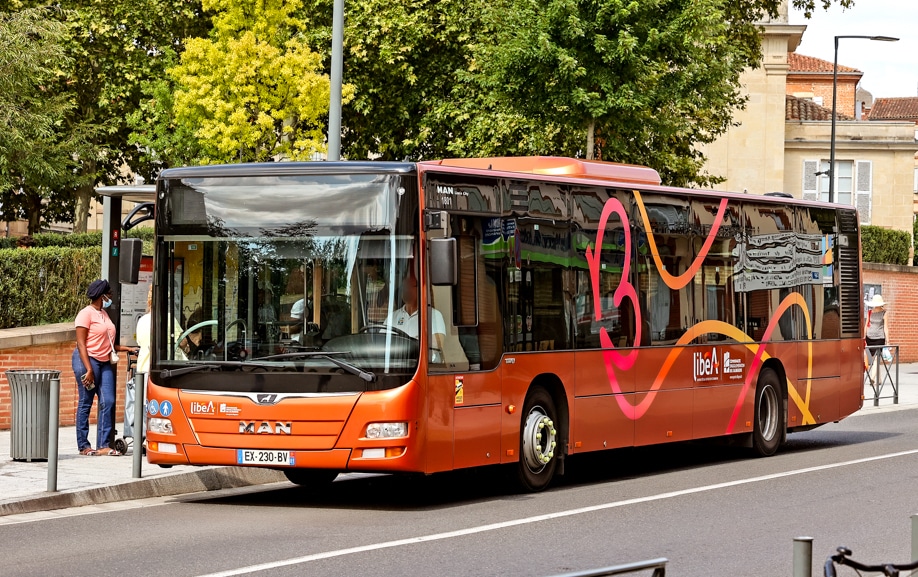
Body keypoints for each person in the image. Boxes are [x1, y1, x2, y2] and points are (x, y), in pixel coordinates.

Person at [72, 279, 138, 456]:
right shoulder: (85, 314)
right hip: (86, 361)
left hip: (103, 361)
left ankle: (103, 445)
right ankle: (84, 446)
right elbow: (81, 344)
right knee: (86, 402)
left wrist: (128, 349)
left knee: (108, 401)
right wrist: (89, 370)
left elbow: (108, 343)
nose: (111, 297)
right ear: (102, 295)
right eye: (109, 294)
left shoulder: (104, 314)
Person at [386, 272, 446, 357]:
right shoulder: (392, 317)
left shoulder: (434, 315)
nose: (405, 290)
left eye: (409, 287)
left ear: (420, 289)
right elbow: (383, 343)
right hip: (395, 364)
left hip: (420, 364)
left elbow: (437, 344)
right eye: (403, 287)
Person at [865, 293, 890, 385]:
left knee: (876, 359)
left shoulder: (885, 313)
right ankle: (879, 380)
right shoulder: (870, 312)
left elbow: (885, 328)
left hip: (880, 338)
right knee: (875, 359)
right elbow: (866, 324)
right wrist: (864, 337)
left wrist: (888, 340)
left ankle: (872, 378)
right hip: (869, 337)